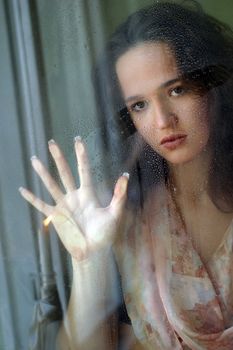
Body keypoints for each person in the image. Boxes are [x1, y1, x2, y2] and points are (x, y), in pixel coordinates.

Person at [19, 1, 233, 349]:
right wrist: (87, 263)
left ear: (212, 87)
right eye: (139, 105)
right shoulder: (124, 213)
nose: (163, 120)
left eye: (176, 89)